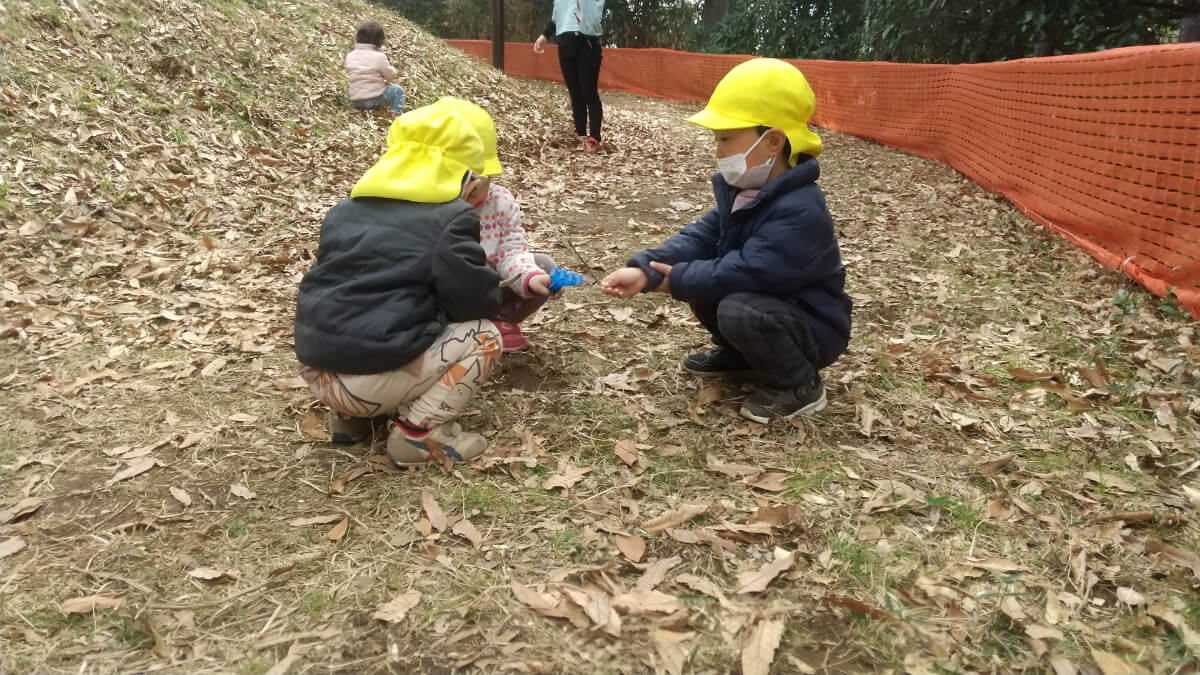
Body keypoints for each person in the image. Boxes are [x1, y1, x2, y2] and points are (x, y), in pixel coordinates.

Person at [600, 58, 852, 423]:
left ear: (773, 142)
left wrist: (675, 280)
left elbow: (750, 272)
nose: (718, 151)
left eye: (726, 139)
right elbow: (702, 236)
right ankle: (742, 356)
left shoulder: (801, 209)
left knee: (733, 304)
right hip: (770, 308)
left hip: (812, 326)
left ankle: (799, 384)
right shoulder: (745, 190)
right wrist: (646, 267)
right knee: (713, 290)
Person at [294, 104, 501, 466]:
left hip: (318, 370)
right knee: (486, 336)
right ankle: (418, 436)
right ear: (465, 179)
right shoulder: (450, 219)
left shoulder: (345, 210)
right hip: (367, 384)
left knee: (374, 312)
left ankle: (353, 421)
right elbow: (476, 302)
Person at [431, 97, 561, 352]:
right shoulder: (427, 205)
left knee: (543, 265)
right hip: (445, 295)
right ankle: (449, 332)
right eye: (467, 181)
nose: (476, 190)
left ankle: (501, 321)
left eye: (483, 179)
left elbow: (511, 251)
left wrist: (530, 278)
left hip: (490, 287)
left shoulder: (499, 202)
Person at [533, 0, 605, 152]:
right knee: (575, 92)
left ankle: (594, 139)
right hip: (565, 43)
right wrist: (544, 36)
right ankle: (580, 134)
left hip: (587, 42)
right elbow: (557, 15)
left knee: (589, 93)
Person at [345, 21, 405, 116]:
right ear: (380, 41)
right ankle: (397, 114)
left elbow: (349, 71)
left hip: (356, 99)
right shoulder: (379, 57)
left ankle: (370, 106)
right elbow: (391, 75)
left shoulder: (350, 55)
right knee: (398, 91)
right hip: (374, 98)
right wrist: (391, 75)